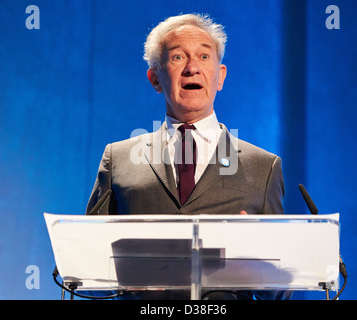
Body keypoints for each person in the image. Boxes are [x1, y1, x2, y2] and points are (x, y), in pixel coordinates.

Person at [85, 13, 287, 300]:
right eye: (178, 57)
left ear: (220, 76)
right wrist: (120, 275)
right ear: (155, 78)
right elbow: (85, 259)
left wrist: (262, 263)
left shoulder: (264, 167)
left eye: (204, 57)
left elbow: (279, 292)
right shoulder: (118, 158)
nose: (193, 68)